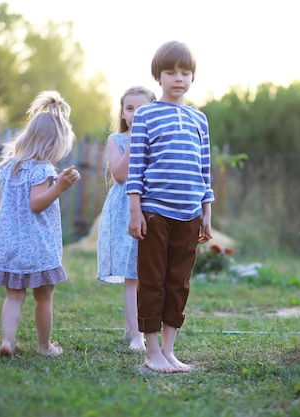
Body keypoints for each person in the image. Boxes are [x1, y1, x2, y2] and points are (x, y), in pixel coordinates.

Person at [127, 40, 214, 373]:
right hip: (154, 212)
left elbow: (204, 170)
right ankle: (150, 352)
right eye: (170, 72)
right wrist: (136, 210)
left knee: (179, 281)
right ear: (158, 76)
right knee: (153, 281)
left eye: (185, 72)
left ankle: (168, 350)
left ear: (192, 77)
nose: (178, 78)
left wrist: (207, 213)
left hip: (190, 214)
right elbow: (136, 167)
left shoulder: (199, 119)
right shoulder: (147, 114)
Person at [0, 90, 80, 358]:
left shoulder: (10, 167)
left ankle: (7, 341)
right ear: (52, 145)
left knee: (14, 296)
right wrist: (59, 186)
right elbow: (37, 204)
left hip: (10, 245)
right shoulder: (43, 170)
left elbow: (0, 201)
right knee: (44, 298)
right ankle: (44, 346)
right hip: (37, 246)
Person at [97, 86, 156, 351]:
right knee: (133, 273)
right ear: (122, 112)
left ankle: (143, 326)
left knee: (150, 273)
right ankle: (135, 335)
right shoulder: (117, 140)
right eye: (129, 109)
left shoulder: (159, 139)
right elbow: (120, 175)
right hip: (125, 210)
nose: (134, 114)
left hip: (153, 207)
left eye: (141, 109)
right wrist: (135, 140)